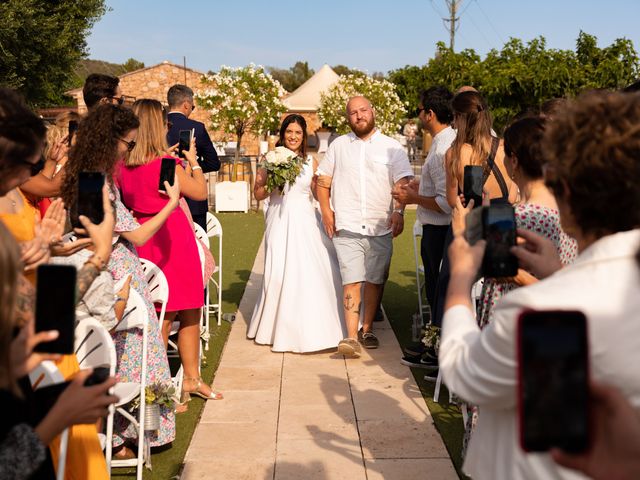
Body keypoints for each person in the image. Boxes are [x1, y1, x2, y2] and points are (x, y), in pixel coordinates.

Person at [438, 90, 640, 479]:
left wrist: (461, 278)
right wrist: (557, 275)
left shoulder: (544, 313)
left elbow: (466, 373)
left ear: (565, 192)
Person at [61, 103, 177, 457]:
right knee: (122, 355)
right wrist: (170, 205)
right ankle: (127, 436)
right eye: (127, 143)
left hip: (113, 267)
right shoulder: (94, 180)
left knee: (119, 355)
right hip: (112, 272)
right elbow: (137, 236)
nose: (128, 150)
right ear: (110, 140)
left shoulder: (89, 173)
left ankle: (121, 435)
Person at [117, 99, 222, 402]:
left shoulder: (122, 165)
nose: (168, 127)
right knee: (173, 316)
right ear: (156, 126)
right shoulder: (167, 165)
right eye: (164, 123)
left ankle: (188, 381)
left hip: (145, 240)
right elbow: (200, 192)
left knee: (176, 311)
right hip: (172, 239)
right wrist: (194, 162)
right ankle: (161, 392)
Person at [316, 96, 413, 357]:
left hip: (379, 226)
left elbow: (404, 182)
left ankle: (367, 328)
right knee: (351, 281)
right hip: (346, 225)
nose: (359, 116)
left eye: (363, 111)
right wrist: (326, 211)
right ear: (348, 118)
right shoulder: (338, 146)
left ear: (372, 112)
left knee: (375, 280)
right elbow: (322, 181)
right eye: (353, 113)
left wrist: (399, 212)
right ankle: (350, 337)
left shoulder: (392, 147)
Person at [247, 114, 345, 352]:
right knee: (277, 272)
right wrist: (273, 182)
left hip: (305, 220)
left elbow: (317, 191)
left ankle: (316, 328)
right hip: (279, 218)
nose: (293, 136)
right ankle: (274, 327)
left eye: (298, 133)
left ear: (304, 137)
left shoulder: (311, 162)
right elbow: (257, 193)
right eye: (289, 132)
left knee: (311, 270)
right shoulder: (268, 158)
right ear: (283, 134)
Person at [166, 84, 220, 230]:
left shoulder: (156, 126)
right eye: (192, 107)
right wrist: (191, 165)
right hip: (193, 201)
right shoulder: (197, 128)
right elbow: (214, 163)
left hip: (163, 198)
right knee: (197, 247)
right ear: (186, 105)